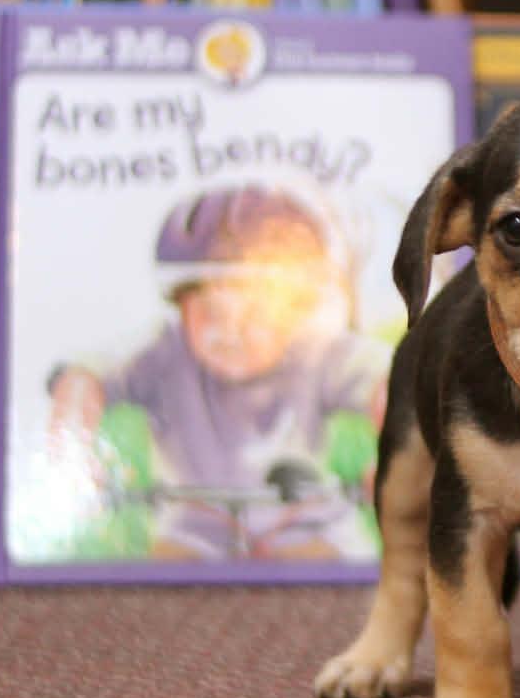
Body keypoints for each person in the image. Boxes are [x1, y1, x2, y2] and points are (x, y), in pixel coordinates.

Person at [45, 182, 388, 562]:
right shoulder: (162, 352)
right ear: (181, 304)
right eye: (211, 313)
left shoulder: (315, 350)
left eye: (257, 315)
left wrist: (395, 455)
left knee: (330, 580)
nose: (232, 334)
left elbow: (391, 383)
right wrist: (73, 457)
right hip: (195, 527)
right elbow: (82, 380)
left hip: (305, 521)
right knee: (163, 581)